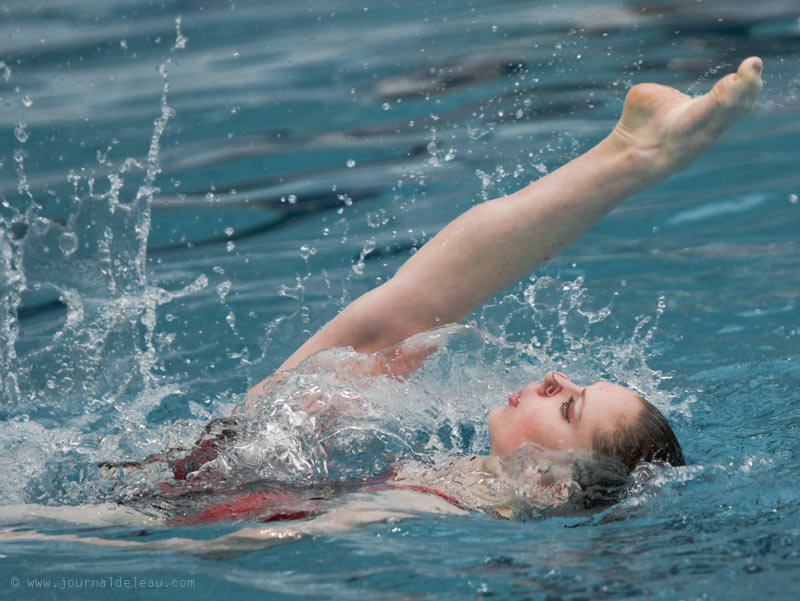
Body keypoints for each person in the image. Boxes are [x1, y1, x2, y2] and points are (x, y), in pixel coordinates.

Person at [1, 56, 764, 557]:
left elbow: (235, 546)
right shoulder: (460, 483)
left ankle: (633, 158)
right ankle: (626, 156)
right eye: (575, 385)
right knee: (401, 317)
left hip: (172, 500)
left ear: (550, 485)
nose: (556, 377)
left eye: (571, 409)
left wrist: (70, 537)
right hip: (213, 468)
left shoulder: (435, 511)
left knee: (395, 318)